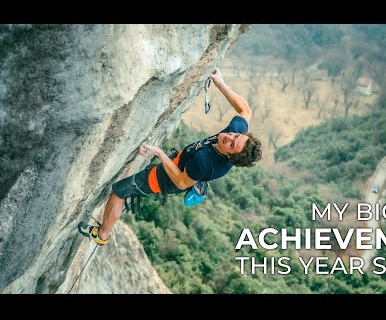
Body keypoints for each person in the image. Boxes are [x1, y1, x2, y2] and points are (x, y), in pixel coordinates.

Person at [78, 68, 262, 245]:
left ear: (230, 157)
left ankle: (102, 235)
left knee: (119, 191)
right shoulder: (237, 137)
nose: (229, 136)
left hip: (167, 179)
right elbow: (245, 111)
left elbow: (181, 182)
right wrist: (220, 83)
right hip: (183, 166)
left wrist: (158, 153)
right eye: (235, 136)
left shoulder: (206, 162)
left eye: (231, 144)